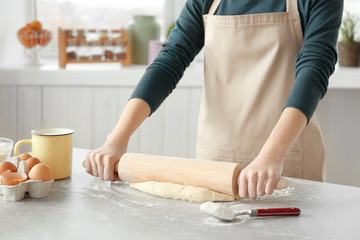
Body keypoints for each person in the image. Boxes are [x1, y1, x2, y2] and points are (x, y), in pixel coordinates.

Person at [84, 0, 343, 199]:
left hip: (286, 159)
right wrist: (117, 139)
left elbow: (315, 65)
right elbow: (171, 58)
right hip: (216, 164)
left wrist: (272, 156)